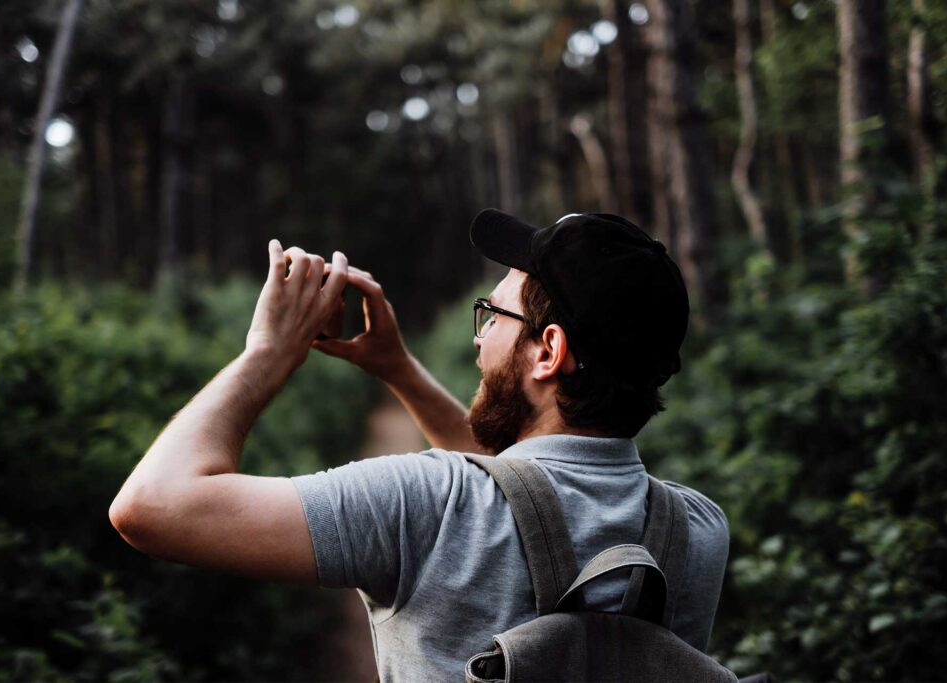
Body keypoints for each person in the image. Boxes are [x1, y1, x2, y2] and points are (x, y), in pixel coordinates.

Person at [109, 209, 730, 681]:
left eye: (494, 313)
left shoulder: (429, 502)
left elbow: (152, 507)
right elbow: (526, 497)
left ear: (550, 351)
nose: (479, 339)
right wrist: (398, 369)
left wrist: (268, 353)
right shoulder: (698, 532)